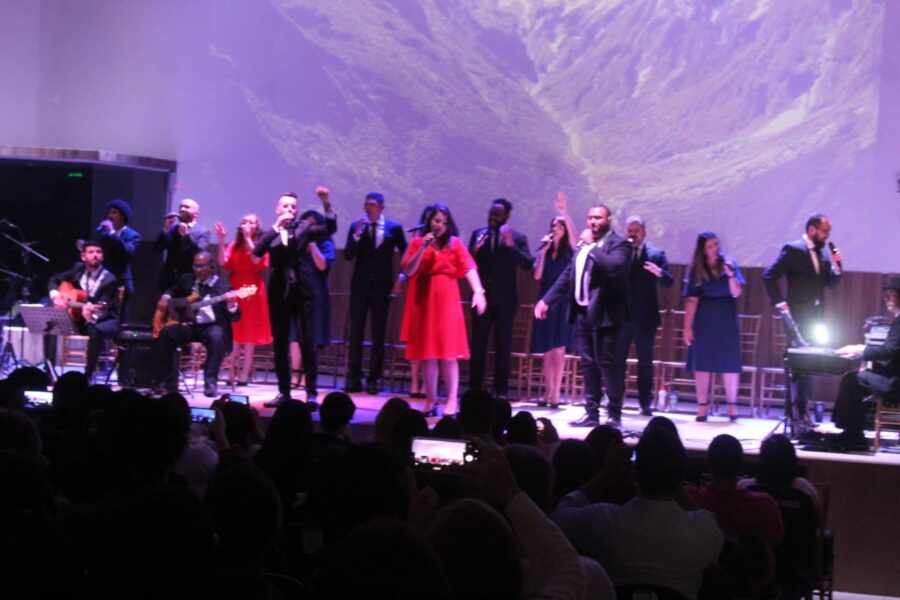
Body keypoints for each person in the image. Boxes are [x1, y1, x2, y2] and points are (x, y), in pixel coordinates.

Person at [552, 426, 723, 598]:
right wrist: (674, 479)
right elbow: (712, 524)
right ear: (681, 474)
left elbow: (559, 516)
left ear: (635, 472)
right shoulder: (705, 530)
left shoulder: (602, 520)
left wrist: (607, 475)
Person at [535, 204, 631, 427]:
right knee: (588, 364)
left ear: (608, 220)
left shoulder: (620, 244)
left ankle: (614, 414)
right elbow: (568, 274)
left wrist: (592, 246)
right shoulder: (582, 246)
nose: (593, 222)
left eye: (598, 218)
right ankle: (591, 413)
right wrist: (546, 300)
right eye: (590, 218)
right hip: (583, 313)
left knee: (607, 364)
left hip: (606, 315)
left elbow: (611, 267)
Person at [400, 204, 486, 416]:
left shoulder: (454, 244)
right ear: (429, 221)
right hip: (424, 301)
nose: (440, 225)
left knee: (448, 354)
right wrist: (422, 247)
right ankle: (431, 400)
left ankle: (451, 400)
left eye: (444, 223)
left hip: (447, 301)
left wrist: (478, 291)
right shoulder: (418, 242)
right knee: (428, 355)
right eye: (437, 221)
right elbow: (409, 270)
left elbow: (469, 267)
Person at [253, 189, 336, 408]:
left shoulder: (304, 227)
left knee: (307, 341)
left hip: (302, 290)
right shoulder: (269, 232)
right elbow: (258, 251)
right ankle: (284, 392)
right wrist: (276, 226)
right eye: (286, 206)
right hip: (279, 292)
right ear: (278, 209)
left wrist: (326, 204)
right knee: (280, 344)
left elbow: (330, 228)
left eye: (293, 207)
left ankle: (311, 393)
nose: (290, 209)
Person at [763, 213, 843, 425]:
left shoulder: (823, 252)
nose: (827, 235)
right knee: (797, 366)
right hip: (797, 317)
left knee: (810, 364)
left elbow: (830, 284)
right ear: (811, 230)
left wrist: (837, 267)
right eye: (824, 231)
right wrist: (780, 303)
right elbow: (769, 275)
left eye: (829, 231)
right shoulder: (794, 249)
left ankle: (803, 412)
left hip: (816, 317)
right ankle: (793, 415)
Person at [689, 434, 784, 592]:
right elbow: (776, 540)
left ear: (709, 465)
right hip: (754, 583)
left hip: (704, 583)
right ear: (741, 466)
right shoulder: (763, 503)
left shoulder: (692, 498)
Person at [467, 198, 534, 400]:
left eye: (497, 215)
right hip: (482, 298)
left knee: (503, 345)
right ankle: (474, 388)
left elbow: (527, 264)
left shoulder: (517, 237)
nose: (492, 218)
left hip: (505, 300)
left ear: (506, 216)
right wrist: (475, 250)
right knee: (478, 344)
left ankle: (501, 391)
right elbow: (467, 263)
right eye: (491, 214)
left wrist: (511, 246)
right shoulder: (478, 234)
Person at [343, 192, 408, 395]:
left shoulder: (393, 228)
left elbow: (406, 253)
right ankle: (354, 377)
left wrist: (402, 276)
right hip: (360, 286)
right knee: (356, 331)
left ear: (381, 207)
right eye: (366, 205)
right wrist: (357, 235)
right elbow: (348, 255)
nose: (368, 208)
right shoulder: (356, 226)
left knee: (378, 332)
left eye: (372, 205)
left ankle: (374, 378)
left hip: (382, 286)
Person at [155, 251, 239, 397]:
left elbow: (236, 317)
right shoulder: (187, 279)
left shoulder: (223, 288)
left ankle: (210, 382)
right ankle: (169, 383)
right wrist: (165, 297)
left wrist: (232, 305)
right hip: (189, 325)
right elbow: (172, 290)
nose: (199, 270)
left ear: (212, 267)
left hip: (211, 326)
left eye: (203, 266)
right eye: (196, 266)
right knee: (166, 333)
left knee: (217, 336)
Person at [831, 275, 900, 450]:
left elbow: (890, 351)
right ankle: (852, 432)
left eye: (890, 295)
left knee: (852, 380)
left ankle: (853, 435)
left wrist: (860, 350)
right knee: (857, 377)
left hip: (895, 382)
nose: (886, 299)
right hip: (894, 375)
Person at [683, 231, 745, 422]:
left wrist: (731, 276)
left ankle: (732, 406)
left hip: (726, 318)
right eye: (710, 246)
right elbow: (691, 299)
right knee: (702, 362)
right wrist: (687, 327)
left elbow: (736, 292)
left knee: (729, 361)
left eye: (716, 244)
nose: (715, 249)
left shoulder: (730, 263)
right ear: (703, 250)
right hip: (704, 319)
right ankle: (703, 406)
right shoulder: (697, 270)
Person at [616, 216, 673, 416]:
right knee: (617, 361)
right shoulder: (619, 252)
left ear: (644, 233)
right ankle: (616, 401)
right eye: (629, 230)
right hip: (621, 316)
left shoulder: (656, 254)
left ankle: (645, 403)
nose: (633, 234)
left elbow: (669, 282)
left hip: (645, 318)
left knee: (646, 363)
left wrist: (659, 273)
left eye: (637, 230)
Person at [530, 192, 577, 408]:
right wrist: (543, 252)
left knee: (559, 349)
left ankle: (557, 392)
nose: (556, 229)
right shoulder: (546, 251)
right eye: (554, 226)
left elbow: (575, 239)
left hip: (562, 301)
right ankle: (547, 391)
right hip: (545, 301)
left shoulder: (570, 251)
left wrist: (564, 213)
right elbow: (537, 276)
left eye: (559, 227)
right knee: (547, 349)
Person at [48, 241, 120, 382]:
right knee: (51, 322)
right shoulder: (78, 269)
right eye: (91, 252)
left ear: (102, 256)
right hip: (78, 317)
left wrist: (93, 316)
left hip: (104, 319)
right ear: (83, 257)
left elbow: (105, 307)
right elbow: (53, 280)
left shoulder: (109, 279)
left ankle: (88, 374)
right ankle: (49, 369)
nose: (95, 255)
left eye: (98, 252)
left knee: (94, 329)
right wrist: (55, 296)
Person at [214, 214, 272, 386]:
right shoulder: (235, 244)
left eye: (250, 222)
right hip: (236, 286)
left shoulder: (261, 244)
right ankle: (231, 372)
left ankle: (244, 374)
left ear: (257, 227)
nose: (246, 224)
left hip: (253, 289)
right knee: (235, 329)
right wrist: (221, 240)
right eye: (244, 222)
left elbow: (257, 260)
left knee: (249, 332)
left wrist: (248, 238)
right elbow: (223, 262)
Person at [88, 198, 141, 319]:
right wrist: (85, 247)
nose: (110, 216)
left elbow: (126, 253)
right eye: (109, 212)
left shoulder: (132, 235)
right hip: (106, 282)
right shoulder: (105, 235)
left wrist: (112, 232)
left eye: (114, 212)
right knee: (104, 316)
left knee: (120, 318)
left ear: (123, 216)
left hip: (121, 283)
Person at [154, 198, 210, 291]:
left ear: (196, 213)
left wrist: (186, 236)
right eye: (181, 207)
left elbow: (199, 253)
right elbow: (158, 249)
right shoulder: (173, 229)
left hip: (190, 279)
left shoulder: (202, 232)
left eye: (187, 207)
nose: (182, 209)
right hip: (169, 279)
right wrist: (165, 230)